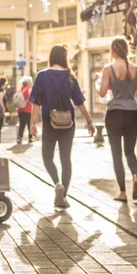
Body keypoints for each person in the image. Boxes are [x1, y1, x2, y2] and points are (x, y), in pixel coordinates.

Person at [29, 45, 95, 208]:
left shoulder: (42, 76)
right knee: (66, 159)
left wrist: (32, 123)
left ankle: (57, 184)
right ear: (64, 58)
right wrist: (89, 121)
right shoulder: (70, 76)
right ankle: (63, 196)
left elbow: (36, 103)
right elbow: (79, 102)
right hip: (68, 123)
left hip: (49, 122)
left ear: (51, 57)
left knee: (47, 157)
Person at [99, 38, 137, 202]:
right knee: (130, 152)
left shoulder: (108, 69)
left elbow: (102, 93)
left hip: (114, 114)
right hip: (131, 113)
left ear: (113, 49)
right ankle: (135, 178)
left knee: (116, 154)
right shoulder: (136, 70)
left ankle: (123, 193)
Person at [17, 76, 34, 144]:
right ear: (28, 83)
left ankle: (19, 138)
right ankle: (30, 138)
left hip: (20, 110)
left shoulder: (20, 90)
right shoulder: (29, 90)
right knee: (29, 124)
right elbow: (33, 99)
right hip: (28, 109)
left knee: (22, 124)